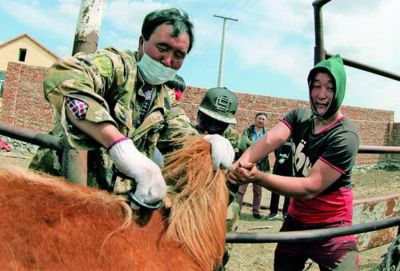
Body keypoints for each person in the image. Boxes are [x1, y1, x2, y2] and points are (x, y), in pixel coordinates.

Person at [29, 7, 234, 208]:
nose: (168, 60)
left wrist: (207, 143)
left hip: (103, 204)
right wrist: (117, 143)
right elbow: (65, 76)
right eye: (162, 48)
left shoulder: (163, 100)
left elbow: (181, 135)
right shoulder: (116, 66)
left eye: (179, 55)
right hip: (54, 188)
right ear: (142, 42)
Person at [228, 55, 360, 270]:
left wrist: (258, 177)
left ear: (340, 91)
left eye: (329, 87)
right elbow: (271, 139)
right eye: (316, 86)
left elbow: (310, 187)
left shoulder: (345, 135)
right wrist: (241, 165)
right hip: (296, 220)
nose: (321, 94)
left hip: (332, 226)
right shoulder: (300, 116)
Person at [194, 86, 241, 270]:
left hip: (222, 203)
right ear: (199, 114)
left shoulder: (235, 141)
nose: (214, 126)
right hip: (190, 202)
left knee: (218, 254)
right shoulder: (186, 133)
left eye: (220, 123)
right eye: (209, 119)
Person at [236, 112, 270, 219]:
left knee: (258, 191)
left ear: (266, 121)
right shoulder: (247, 131)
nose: (261, 120)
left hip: (260, 165)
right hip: (247, 164)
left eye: (263, 119)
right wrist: (258, 146)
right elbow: (242, 144)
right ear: (255, 120)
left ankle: (256, 211)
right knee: (241, 190)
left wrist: (251, 145)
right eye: (259, 118)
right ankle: (237, 210)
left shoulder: (267, 134)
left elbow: (268, 147)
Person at [266, 139, 294, 220]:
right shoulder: (281, 137)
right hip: (279, 166)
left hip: (290, 168)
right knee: (275, 189)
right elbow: (276, 151)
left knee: (288, 191)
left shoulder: (296, 137)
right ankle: (273, 212)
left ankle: (286, 212)